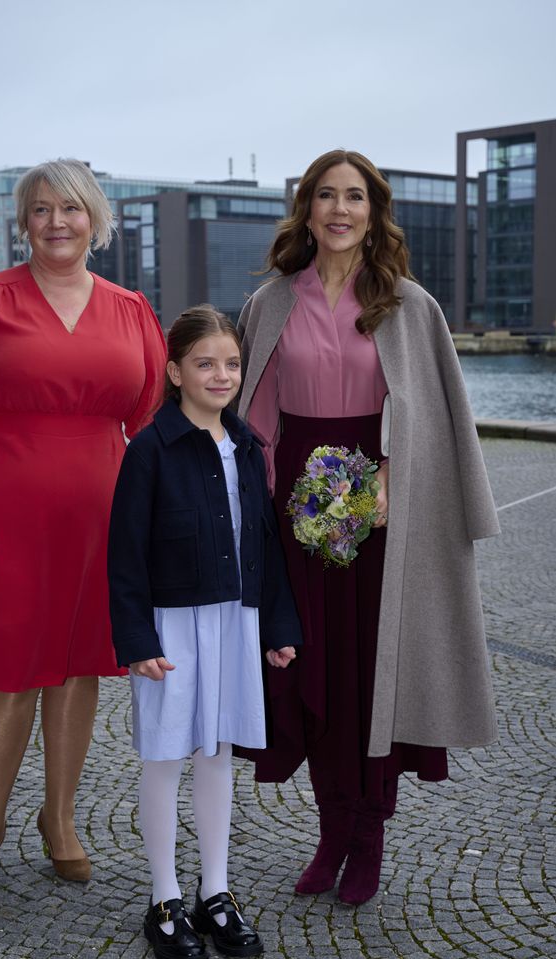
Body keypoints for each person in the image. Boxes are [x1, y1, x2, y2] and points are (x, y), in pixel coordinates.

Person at [236, 150, 499, 906]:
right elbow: (255, 421)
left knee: (371, 680)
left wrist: (391, 481)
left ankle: (368, 836)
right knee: (311, 676)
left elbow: (436, 419)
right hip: (296, 520)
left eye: (354, 196)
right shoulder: (270, 305)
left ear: (374, 211)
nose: (339, 209)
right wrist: (253, 518)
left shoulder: (410, 306)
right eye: (326, 195)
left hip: (389, 521)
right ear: (306, 210)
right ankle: (329, 833)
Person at [0, 159, 166, 896]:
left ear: (95, 218)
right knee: (10, 671)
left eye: (69, 208)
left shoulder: (131, 308)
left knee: (80, 665)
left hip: (101, 518)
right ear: (23, 221)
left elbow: (153, 422)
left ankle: (58, 819)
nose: (56, 222)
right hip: (3, 518)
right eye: (40, 210)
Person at [107, 305, 302, 959]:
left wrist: (275, 625)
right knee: (164, 756)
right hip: (171, 625)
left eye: (231, 364)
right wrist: (136, 639)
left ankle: (212, 892)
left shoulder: (246, 446)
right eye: (205, 363)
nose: (220, 375)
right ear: (174, 371)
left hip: (234, 619)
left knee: (217, 754)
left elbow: (265, 543)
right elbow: (125, 553)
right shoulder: (149, 450)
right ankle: (162, 899)